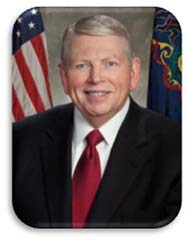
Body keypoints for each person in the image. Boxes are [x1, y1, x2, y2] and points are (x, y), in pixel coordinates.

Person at [13, 14, 181, 228]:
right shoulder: (18, 140)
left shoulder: (176, 149)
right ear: (64, 77)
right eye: (82, 65)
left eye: (110, 64)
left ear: (133, 72)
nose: (96, 78)